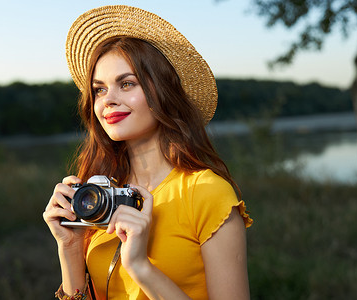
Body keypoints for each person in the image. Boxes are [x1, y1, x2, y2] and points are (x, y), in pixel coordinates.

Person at [43, 5, 253, 300]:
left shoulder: (207, 194)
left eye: (126, 84)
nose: (108, 101)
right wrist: (70, 248)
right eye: (99, 89)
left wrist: (141, 267)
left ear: (163, 93)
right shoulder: (98, 196)